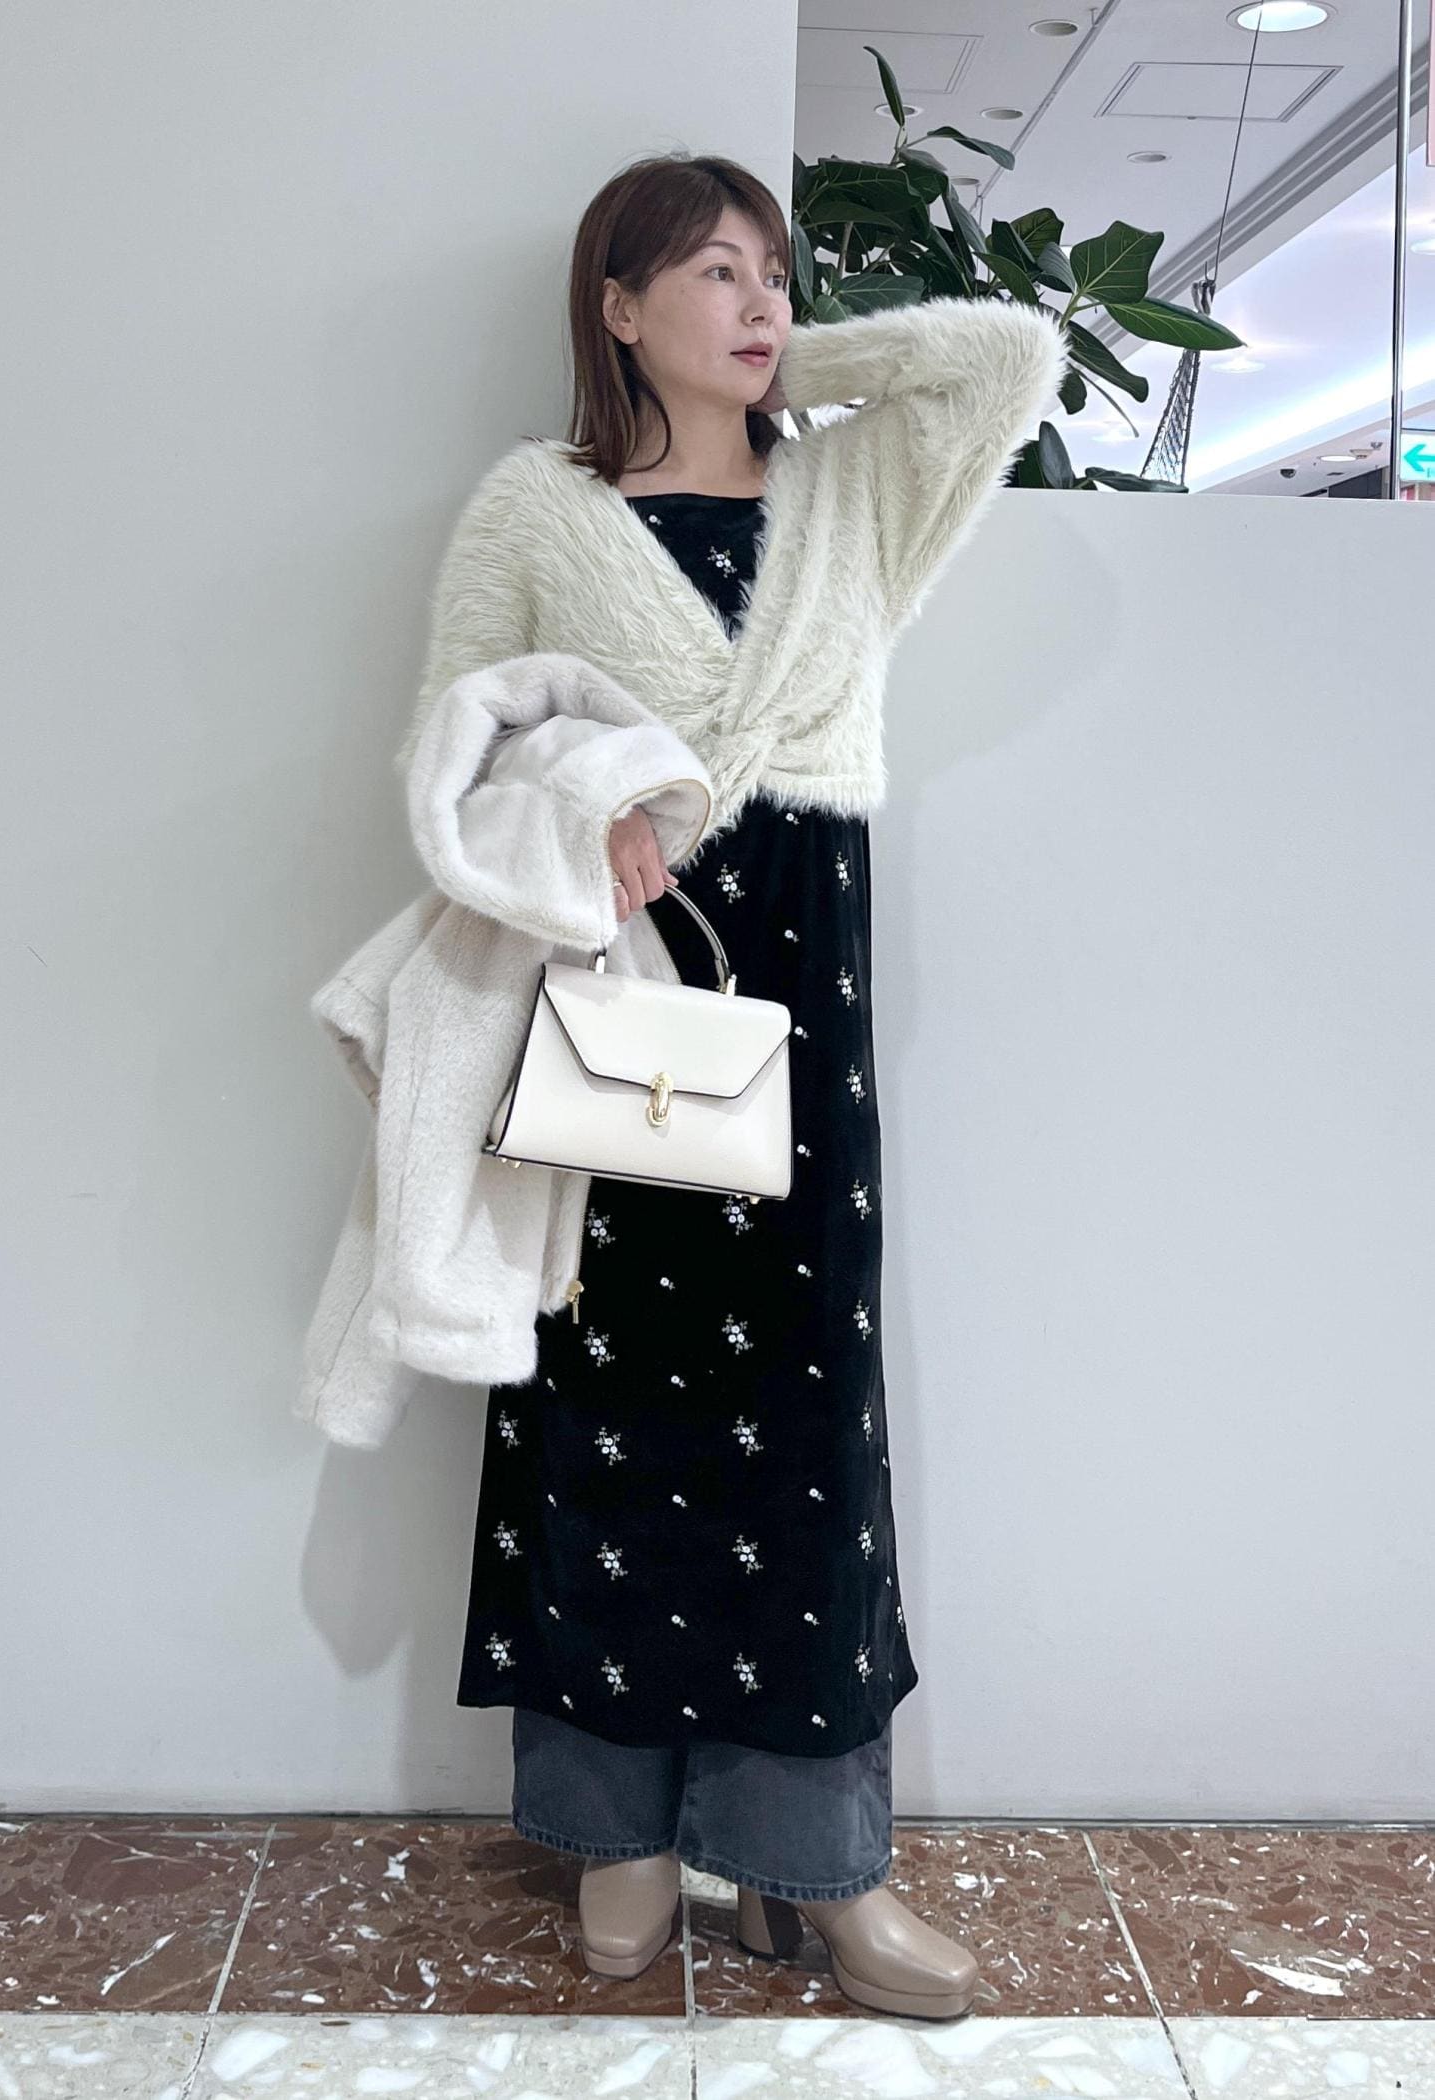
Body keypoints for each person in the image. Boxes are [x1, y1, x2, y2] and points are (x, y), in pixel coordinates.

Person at [398, 151, 1067, 2019]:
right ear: (614, 306)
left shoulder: (851, 488)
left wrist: (777, 358)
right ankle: (610, 1832)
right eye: (712, 271)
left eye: (774, 270)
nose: (762, 296)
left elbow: (1007, 362)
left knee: (805, 1421)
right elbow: (451, 753)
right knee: (599, 1394)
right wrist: (580, 809)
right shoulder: (538, 507)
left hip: (803, 993)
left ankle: (815, 1865)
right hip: (617, 992)